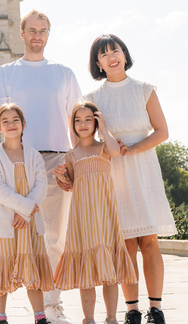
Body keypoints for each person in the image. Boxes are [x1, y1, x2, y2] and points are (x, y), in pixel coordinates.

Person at [0, 10, 82, 324]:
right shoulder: (5, 72)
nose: (38, 36)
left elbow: (75, 120)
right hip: (15, 160)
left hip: (56, 161)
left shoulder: (64, 73)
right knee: (3, 239)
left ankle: (51, 306)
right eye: (32, 30)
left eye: (43, 31)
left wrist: (74, 162)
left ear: (48, 34)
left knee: (55, 239)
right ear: (22, 34)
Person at [83, 35, 176, 324]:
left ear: (124, 54)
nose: (112, 57)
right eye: (104, 54)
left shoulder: (144, 90)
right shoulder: (92, 98)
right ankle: (132, 309)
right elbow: (87, 138)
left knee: (149, 241)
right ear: (98, 63)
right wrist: (107, 149)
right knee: (125, 246)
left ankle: (155, 309)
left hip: (143, 167)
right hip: (113, 171)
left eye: (116, 50)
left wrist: (133, 149)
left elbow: (162, 132)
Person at [53, 102, 137, 324]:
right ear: (73, 125)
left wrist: (105, 127)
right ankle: (88, 319)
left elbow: (116, 152)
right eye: (78, 120)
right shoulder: (71, 155)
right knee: (86, 274)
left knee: (110, 273)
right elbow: (72, 184)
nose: (83, 124)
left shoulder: (103, 148)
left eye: (88, 119)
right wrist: (60, 176)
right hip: (82, 218)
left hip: (105, 216)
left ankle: (111, 318)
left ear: (96, 122)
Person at [0, 103, 52, 324]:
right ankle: (0, 318)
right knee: (1, 269)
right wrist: (25, 208)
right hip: (7, 222)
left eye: (15, 120)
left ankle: (40, 317)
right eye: (5, 121)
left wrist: (26, 214)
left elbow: (41, 186)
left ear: (23, 124)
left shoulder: (33, 155)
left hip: (29, 222)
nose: (11, 124)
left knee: (34, 269)